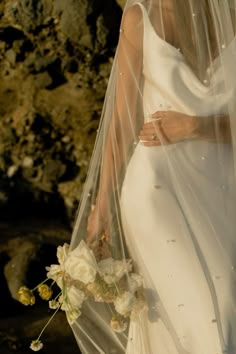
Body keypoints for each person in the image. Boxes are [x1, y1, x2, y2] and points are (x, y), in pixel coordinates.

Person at [69, 0, 236, 353]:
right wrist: (102, 209)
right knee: (206, 310)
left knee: (228, 307)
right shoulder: (140, 18)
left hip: (224, 189)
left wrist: (196, 126)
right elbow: (119, 126)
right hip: (157, 191)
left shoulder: (232, 15)